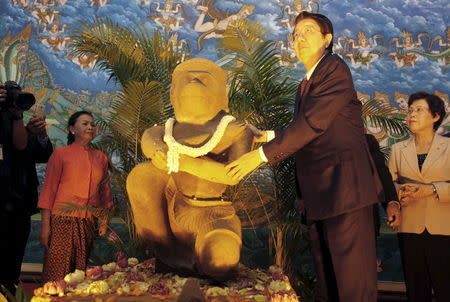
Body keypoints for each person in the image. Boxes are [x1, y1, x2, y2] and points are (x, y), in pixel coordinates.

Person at [226, 12, 385, 301]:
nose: (299, 38)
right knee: (330, 285)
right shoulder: (306, 83)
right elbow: (309, 128)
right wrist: (266, 135)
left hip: (345, 194)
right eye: (295, 34)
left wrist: (259, 156)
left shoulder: (334, 69)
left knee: (353, 287)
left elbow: (313, 123)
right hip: (322, 198)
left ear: (328, 39)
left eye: (308, 31)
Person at [126, 58, 253, 280]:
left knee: (221, 257)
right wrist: (159, 154)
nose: (194, 80)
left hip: (214, 214)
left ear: (223, 96)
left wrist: (183, 162)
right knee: (142, 175)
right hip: (173, 209)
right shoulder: (165, 131)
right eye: (186, 79)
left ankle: (205, 262)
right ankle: (170, 253)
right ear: (173, 95)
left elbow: (231, 175)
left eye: (205, 79)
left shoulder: (236, 131)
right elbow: (149, 141)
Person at [388, 92, 450, 302]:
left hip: (444, 227)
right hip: (409, 226)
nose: (412, 114)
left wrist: (432, 190)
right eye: (410, 110)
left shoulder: (449, 147)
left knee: (446, 288)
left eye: (419, 110)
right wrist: (395, 200)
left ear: (435, 116)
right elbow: (389, 185)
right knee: (416, 290)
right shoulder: (398, 149)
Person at [38, 111, 113, 282]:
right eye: (85, 123)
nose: (90, 127)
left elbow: (105, 193)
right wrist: (45, 227)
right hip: (61, 221)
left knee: (79, 275)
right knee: (57, 274)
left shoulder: (101, 158)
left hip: (87, 222)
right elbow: (48, 192)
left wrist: (104, 221)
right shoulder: (60, 154)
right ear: (72, 129)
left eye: (92, 124)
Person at [0, 83, 53, 295]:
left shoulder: (22, 123)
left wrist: (39, 135)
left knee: (13, 264)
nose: (16, 100)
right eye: (12, 95)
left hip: (20, 204)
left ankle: (10, 294)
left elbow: (43, 155)